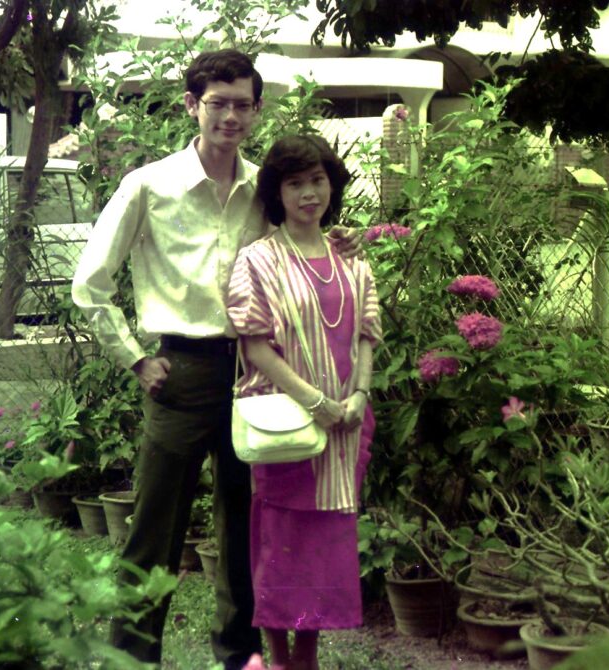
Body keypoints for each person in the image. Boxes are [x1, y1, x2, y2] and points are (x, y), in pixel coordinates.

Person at [71, 50, 358, 669]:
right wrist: (133, 359)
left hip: (258, 373)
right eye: (217, 103)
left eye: (242, 105)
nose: (231, 116)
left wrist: (336, 238)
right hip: (182, 372)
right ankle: (132, 658)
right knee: (155, 527)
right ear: (191, 105)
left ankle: (239, 654)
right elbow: (89, 283)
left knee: (245, 522)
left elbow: (299, 238)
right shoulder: (148, 185)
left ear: (256, 110)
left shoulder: (264, 187)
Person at [227, 134, 382, 670]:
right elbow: (254, 345)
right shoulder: (257, 260)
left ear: (331, 186)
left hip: (346, 427)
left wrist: (358, 394)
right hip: (286, 425)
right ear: (277, 192)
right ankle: (278, 659)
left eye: (317, 180)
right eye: (295, 183)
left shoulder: (351, 259)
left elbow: (368, 332)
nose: (309, 193)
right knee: (280, 543)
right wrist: (317, 403)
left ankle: (307, 659)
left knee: (324, 545)